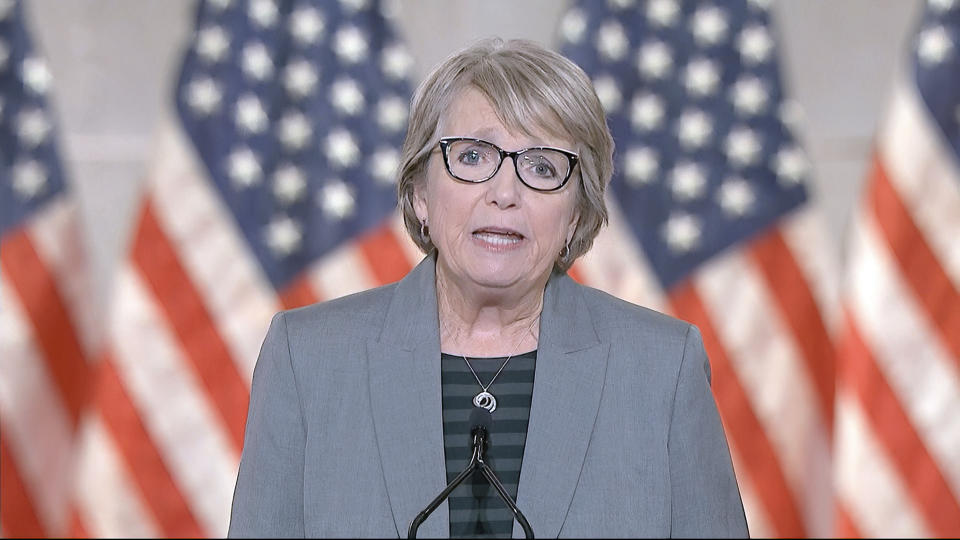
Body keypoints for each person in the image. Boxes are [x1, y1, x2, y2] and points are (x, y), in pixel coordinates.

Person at [228, 37, 749, 539]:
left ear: (575, 214)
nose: (505, 192)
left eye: (541, 166)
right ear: (420, 193)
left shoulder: (662, 367)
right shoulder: (308, 359)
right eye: (473, 157)